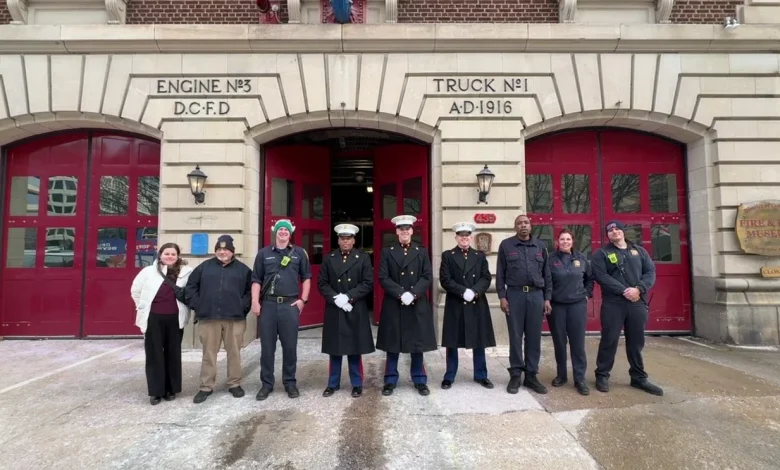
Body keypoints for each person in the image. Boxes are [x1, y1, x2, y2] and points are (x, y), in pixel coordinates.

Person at [591, 220, 663, 396]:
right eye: (610, 230)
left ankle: (638, 377)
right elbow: (601, 276)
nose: (614, 232)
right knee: (609, 340)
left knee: (636, 341)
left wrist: (639, 289)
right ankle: (602, 375)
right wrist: (624, 291)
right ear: (607, 235)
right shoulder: (601, 254)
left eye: (617, 229)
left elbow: (650, 272)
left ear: (623, 232)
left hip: (637, 302)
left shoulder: (639, 251)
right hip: (613, 303)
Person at [185, 235, 252, 404]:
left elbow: (251, 291)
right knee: (208, 353)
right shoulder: (204, 268)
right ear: (215, 251)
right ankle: (206, 386)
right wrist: (198, 305)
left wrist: (243, 306)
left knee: (234, 352)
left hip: (234, 319)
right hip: (209, 318)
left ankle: (234, 383)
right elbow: (191, 287)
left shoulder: (243, 270)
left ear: (232, 252)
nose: (222, 252)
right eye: (219, 250)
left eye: (226, 250)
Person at [375, 214, 437, 396]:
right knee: (392, 343)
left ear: (412, 231)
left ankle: (419, 379)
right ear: (396, 232)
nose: (404, 232)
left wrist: (414, 293)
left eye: (407, 229)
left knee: (417, 344)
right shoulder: (387, 251)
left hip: (416, 303)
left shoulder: (421, 251)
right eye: (401, 229)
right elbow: (383, 277)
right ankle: (390, 379)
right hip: (395, 303)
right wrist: (401, 293)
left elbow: (427, 276)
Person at [251, 219, 312, 401]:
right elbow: (256, 280)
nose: (283, 232)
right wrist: (255, 301)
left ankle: (290, 382)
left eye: (286, 229)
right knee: (267, 348)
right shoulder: (263, 254)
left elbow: (306, 278)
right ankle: (266, 384)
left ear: (290, 233)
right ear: (275, 232)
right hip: (268, 306)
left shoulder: (299, 253)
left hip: (289, 305)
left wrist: (303, 300)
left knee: (290, 347)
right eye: (280, 229)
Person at [131, 242, 193, 405]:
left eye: (173, 254)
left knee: (173, 353)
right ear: (160, 255)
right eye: (167, 253)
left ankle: (171, 389)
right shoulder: (148, 272)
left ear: (178, 256)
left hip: (175, 318)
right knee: (154, 354)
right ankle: (156, 391)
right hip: (154, 318)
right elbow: (135, 290)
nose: (170, 257)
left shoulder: (186, 272)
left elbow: (191, 292)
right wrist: (142, 306)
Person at [496, 214, 551, 395]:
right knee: (515, 336)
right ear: (515, 227)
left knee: (534, 337)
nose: (523, 226)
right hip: (515, 295)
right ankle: (516, 374)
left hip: (536, 296)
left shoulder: (540, 246)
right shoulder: (506, 245)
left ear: (531, 225)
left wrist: (547, 298)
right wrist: (502, 297)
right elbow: (500, 274)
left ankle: (531, 375)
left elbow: (547, 275)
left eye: (526, 223)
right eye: (519, 223)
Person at [317, 223, 375, 398]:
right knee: (335, 348)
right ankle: (332, 383)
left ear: (353, 240)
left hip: (355, 307)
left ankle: (356, 383)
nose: (345, 241)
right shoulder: (329, 258)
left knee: (354, 347)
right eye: (342, 238)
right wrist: (336, 298)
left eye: (348, 238)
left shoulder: (363, 258)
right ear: (338, 240)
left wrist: (348, 297)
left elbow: (367, 283)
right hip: (335, 308)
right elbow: (322, 283)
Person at [439, 222, 496, 390]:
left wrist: (475, 291)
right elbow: (445, 279)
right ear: (456, 237)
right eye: (461, 235)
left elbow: (486, 278)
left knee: (479, 340)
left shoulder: (479, 256)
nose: (464, 238)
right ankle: (449, 375)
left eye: (467, 235)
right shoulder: (448, 255)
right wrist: (463, 291)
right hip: (456, 302)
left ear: (471, 237)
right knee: (453, 341)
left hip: (476, 302)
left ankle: (481, 375)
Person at [546, 229, 594, 396]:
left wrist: (587, 294)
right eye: (562, 239)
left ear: (572, 241)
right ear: (557, 242)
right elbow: (546, 281)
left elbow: (590, 279)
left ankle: (579, 378)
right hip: (556, 306)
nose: (565, 242)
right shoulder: (550, 259)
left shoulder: (581, 259)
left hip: (577, 306)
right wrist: (547, 299)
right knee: (559, 342)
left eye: (568, 239)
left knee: (577, 343)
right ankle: (561, 375)